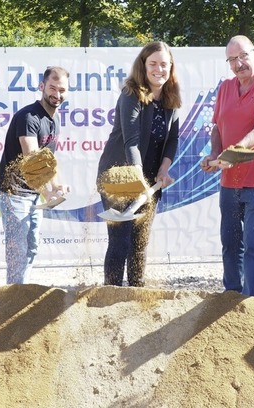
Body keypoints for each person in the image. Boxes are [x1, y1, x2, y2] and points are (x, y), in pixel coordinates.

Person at [200, 35, 254, 297]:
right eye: (232, 60)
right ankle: (231, 295)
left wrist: (232, 153)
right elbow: (217, 127)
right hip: (229, 182)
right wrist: (215, 153)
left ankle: (252, 303)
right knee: (230, 243)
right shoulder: (226, 87)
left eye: (243, 57)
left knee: (253, 246)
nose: (239, 64)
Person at [97, 41, 181, 287]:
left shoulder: (171, 97)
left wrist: (164, 169)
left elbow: (172, 139)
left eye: (164, 64)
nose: (159, 69)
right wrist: (139, 181)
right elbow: (131, 143)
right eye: (153, 63)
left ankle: (136, 293)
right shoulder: (131, 93)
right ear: (143, 66)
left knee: (140, 241)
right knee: (120, 240)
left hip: (150, 180)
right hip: (120, 177)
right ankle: (110, 293)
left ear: (170, 67)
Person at [0, 66, 71, 284]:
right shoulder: (29, 117)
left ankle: (21, 290)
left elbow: (47, 160)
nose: (57, 94)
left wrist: (56, 186)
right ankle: (13, 297)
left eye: (62, 90)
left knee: (31, 248)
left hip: (32, 194)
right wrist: (49, 193)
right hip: (13, 192)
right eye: (52, 88)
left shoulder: (53, 119)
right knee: (18, 251)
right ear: (42, 87)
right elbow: (32, 161)